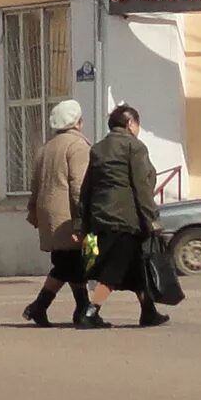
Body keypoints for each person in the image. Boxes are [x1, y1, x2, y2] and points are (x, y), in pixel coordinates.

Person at [79, 104, 170, 329]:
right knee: (115, 269)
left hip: (101, 217)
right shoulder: (135, 147)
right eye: (138, 124)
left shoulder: (98, 149)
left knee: (136, 267)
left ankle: (148, 312)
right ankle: (90, 313)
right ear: (130, 124)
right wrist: (152, 219)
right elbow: (142, 186)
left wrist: (83, 222)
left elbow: (87, 188)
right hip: (125, 219)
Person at [24, 99, 98, 328]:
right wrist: (85, 217)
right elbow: (79, 185)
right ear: (78, 122)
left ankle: (81, 309)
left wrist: (34, 213)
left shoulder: (46, 148)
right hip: (68, 216)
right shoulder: (77, 147)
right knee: (80, 262)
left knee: (69, 262)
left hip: (49, 215)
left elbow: (35, 185)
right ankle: (41, 306)